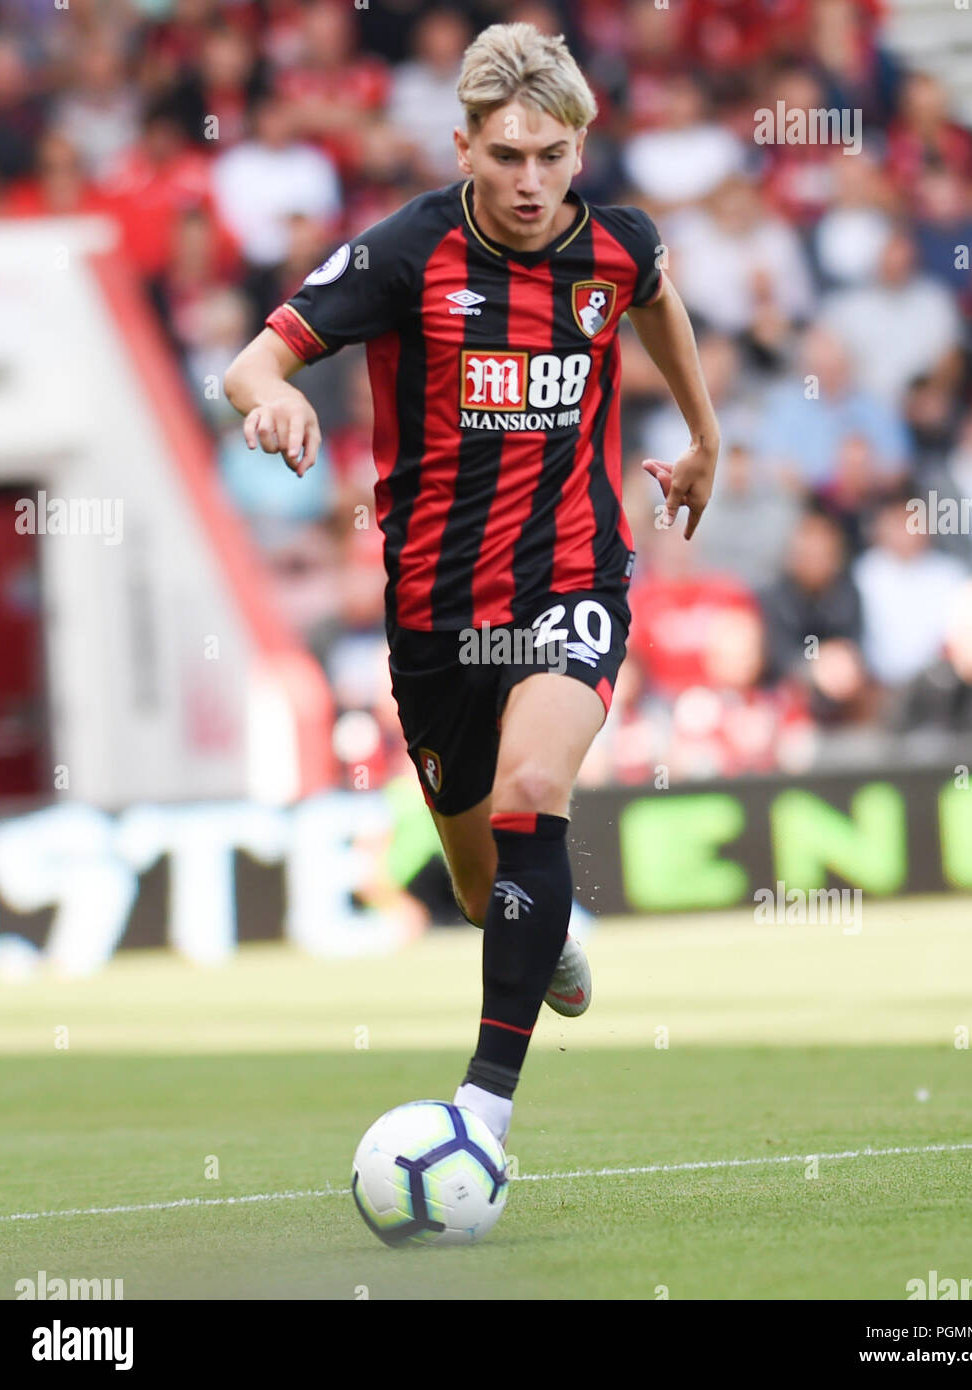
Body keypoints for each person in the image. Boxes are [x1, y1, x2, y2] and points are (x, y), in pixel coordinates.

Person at [224, 22, 720, 1146]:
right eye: (507, 157)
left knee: (533, 786)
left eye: (552, 155)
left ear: (581, 150)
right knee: (475, 883)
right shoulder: (406, 254)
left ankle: (480, 1115)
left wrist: (703, 436)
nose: (532, 180)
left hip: (570, 576)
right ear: (464, 148)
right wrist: (276, 399)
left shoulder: (615, 247)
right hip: (439, 614)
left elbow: (655, 297)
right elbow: (253, 358)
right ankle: (545, 930)